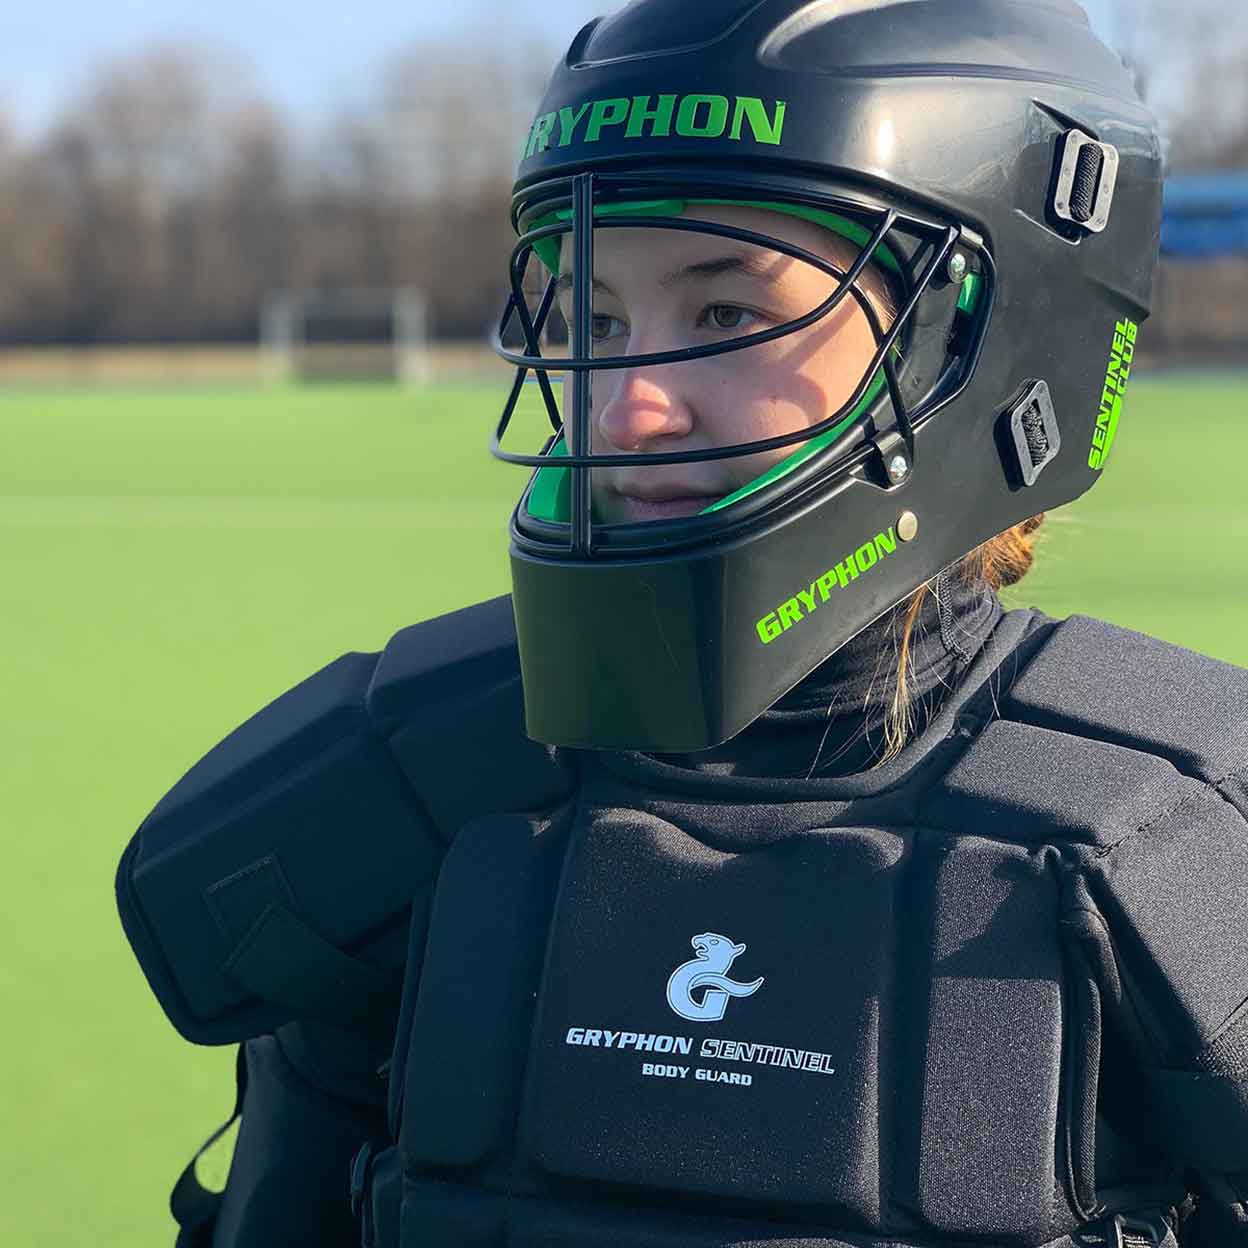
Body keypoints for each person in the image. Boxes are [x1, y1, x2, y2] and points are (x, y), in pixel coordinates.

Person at [115, 0, 1248, 1245]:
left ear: (978, 331)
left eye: (726, 316)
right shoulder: (410, 803)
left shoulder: (1179, 844)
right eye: (597, 321)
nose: (627, 405)